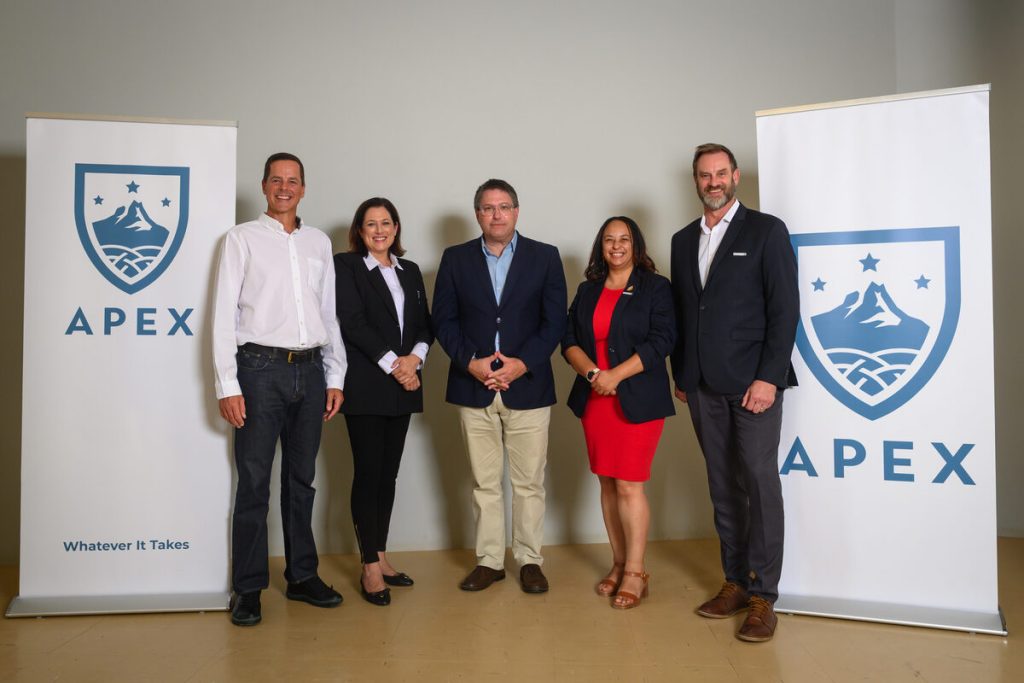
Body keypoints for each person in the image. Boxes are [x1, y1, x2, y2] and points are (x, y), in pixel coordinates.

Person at [670, 143, 799, 642]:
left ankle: (765, 595)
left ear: (736, 176)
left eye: (721, 173)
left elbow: (784, 310)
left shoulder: (766, 231)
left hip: (753, 385)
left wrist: (769, 377)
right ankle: (736, 582)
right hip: (702, 386)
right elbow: (685, 313)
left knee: (760, 483)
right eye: (705, 175)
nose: (713, 182)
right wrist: (681, 374)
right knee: (722, 484)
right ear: (696, 180)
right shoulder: (683, 240)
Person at [213, 152, 347, 626]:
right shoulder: (240, 239)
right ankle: (247, 588)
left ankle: (301, 576)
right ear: (265, 186)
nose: (284, 188)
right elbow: (223, 315)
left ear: (304, 188)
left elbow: (327, 312)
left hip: (310, 373)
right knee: (253, 482)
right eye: (276, 180)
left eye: (293, 181)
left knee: (301, 480)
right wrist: (228, 384)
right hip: (259, 369)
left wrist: (335, 375)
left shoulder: (317, 243)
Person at [432, 178, 567, 594]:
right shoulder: (455, 259)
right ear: (478, 214)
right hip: (474, 386)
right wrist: (470, 363)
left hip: (527, 385)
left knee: (529, 482)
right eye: (488, 208)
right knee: (484, 483)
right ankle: (489, 561)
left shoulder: (545, 257)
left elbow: (555, 321)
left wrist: (521, 363)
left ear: (516, 212)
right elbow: (443, 320)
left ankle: (529, 559)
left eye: (504, 207)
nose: (496, 215)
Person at [562, 216, 676, 609]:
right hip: (595, 397)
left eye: (624, 239)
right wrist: (595, 374)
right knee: (607, 484)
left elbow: (663, 340)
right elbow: (569, 339)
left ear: (636, 245)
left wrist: (615, 376)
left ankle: (636, 571)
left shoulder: (656, 288)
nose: (616, 246)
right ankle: (618, 562)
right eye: (609, 239)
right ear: (601, 246)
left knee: (629, 484)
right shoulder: (588, 289)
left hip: (638, 398)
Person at [334, 197, 433, 607]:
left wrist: (416, 359)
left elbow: (426, 324)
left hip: (404, 384)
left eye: (386, 222)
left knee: (388, 476)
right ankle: (369, 563)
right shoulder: (348, 266)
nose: (379, 230)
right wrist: (397, 365)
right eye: (371, 224)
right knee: (368, 473)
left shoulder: (410, 271)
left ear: (396, 228)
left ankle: (382, 553)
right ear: (360, 230)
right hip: (368, 384)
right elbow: (352, 322)